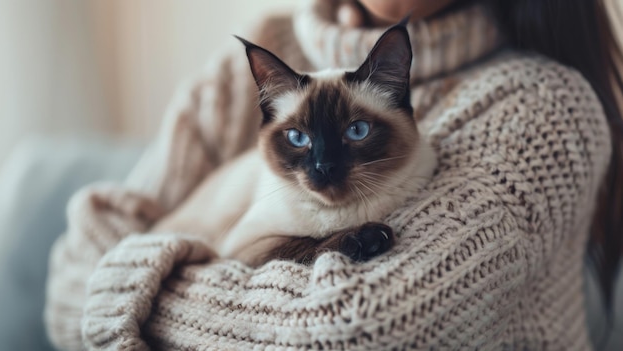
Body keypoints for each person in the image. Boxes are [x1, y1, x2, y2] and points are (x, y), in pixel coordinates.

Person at [44, 0, 623, 349]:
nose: (323, 170)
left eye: (354, 136)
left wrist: (131, 299)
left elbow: (352, 331)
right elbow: (69, 279)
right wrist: (134, 293)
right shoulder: (255, 57)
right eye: (297, 140)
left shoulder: (539, 106)